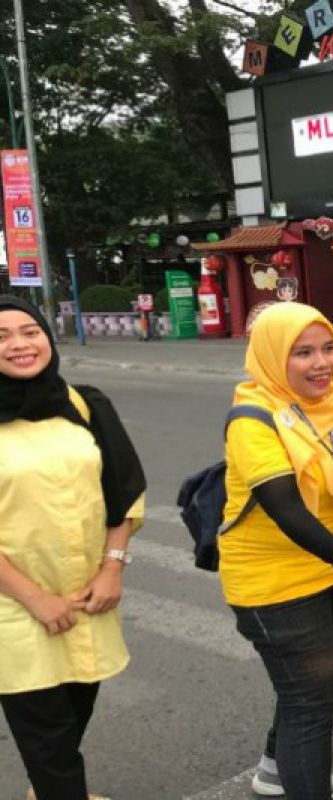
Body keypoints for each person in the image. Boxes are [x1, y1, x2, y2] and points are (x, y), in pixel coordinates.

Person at [220, 302, 333, 800]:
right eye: (302, 353)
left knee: (314, 687)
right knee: (309, 702)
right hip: (275, 580)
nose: (321, 364)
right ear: (274, 357)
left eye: (327, 349)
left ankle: (276, 768)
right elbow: (284, 506)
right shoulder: (252, 418)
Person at [0, 296, 146, 800]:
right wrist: (34, 598)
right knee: (48, 739)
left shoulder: (83, 404)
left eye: (30, 331)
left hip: (87, 596)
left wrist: (112, 570)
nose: (20, 344)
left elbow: (123, 492)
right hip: (13, 606)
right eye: (1, 337)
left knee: (73, 714)